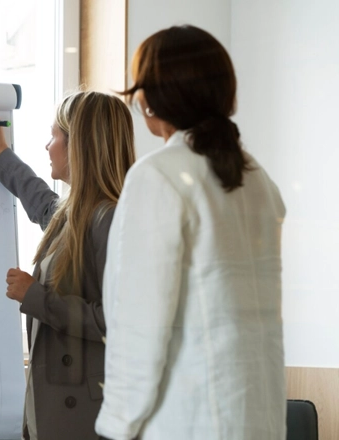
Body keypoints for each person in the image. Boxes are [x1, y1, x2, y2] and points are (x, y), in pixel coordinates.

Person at [95, 25, 286, 440]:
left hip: (185, 421)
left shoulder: (158, 176)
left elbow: (139, 326)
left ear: (151, 98)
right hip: (259, 418)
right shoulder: (258, 181)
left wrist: (116, 426)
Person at [0, 91, 136, 440]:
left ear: (80, 144)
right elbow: (43, 203)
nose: (48, 145)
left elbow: (120, 321)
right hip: (61, 406)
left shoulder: (109, 219)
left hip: (84, 418)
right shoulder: (77, 214)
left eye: (54, 136)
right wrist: (1, 151)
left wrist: (37, 297)